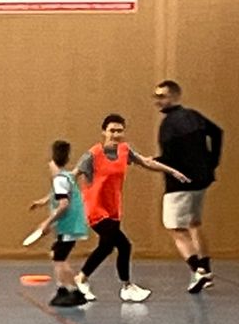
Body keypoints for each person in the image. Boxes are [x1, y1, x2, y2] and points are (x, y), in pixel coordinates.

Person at [75, 113, 189, 304]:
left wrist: (172, 171)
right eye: (112, 130)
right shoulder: (92, 155)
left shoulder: (125, 151)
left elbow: (147, 162)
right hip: (95, 209)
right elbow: (73, 175)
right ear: (104, 132)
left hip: (113, 209)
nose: (116, 134)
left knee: (106, 246)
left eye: (120, 131)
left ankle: (82, 279)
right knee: (124, 245)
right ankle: (127, 286)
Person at [153, 81, 225, 293]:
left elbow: (169, 157)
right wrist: (212, 162)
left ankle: (199, 271)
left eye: (163, 96)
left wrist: (151, 162)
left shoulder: (169, 125)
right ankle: (207, 271)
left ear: (175, 96)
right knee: (194, 223)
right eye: (156, 96)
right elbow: (218, 133)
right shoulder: (194, 116)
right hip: (201, 181)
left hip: (179, 184)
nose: (158, 101)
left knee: (176, 229)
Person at [26, 139, 90, 308]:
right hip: (70, 225)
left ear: (53, 161)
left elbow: (64, 205)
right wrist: (42, 202)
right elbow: (57, 195)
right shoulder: (66, 176)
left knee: (60, 258)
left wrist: (46, 223)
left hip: (69, 226)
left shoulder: (60, 180)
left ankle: (76, 292)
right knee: (56, 255)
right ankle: (62, 289)